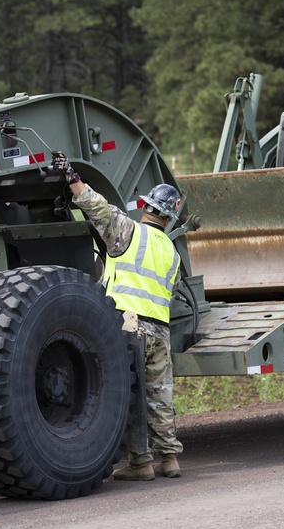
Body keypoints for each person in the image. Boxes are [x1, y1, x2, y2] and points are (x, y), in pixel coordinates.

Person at [51, 151, 184, 481]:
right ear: (169, 219)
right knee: (160, 393)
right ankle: (169, 458)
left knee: (132, 390)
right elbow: (173, 290)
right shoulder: (172, 252)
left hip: (128, 322)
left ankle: (140, 463)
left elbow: (96, 207)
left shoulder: (129, 231)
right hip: (160, 330)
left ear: (145, 208)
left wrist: (72, 179)